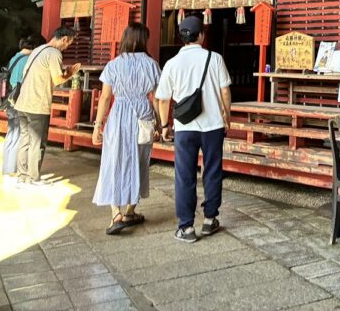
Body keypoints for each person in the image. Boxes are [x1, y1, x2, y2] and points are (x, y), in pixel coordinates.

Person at [155, 15, 232, 243]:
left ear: (182, 38)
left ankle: (186, 227)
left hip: (185, 127)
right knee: (212, 170)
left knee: (184, 175)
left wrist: (165, 125)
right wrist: (227, 116)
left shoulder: (172, 63)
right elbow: (225, 91)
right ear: (201, 35)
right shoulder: (214, 58)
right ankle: (210, 219)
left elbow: (162, 99)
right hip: (213, 125)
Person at [91, 23, 162, 235]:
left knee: (114, 160)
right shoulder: (151, 64)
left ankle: (116, 214)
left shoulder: (113, 65)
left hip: (118, 114)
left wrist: (97, 125)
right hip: (143, 114)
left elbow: (105, 97)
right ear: (143, 40)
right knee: (140, 161)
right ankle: (131, 210)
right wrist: (161, 123)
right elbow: (157, 99)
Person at [13, 26, 81, 186]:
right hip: (37, 104)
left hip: (22, 102)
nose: (67, 46)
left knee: (25, 140)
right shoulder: (54, 53)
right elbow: (57, 79)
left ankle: (22, 175)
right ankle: (34, 177)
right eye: (69, 43)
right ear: (64, 39)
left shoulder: (38, 50)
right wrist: (70, 73)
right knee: (37, 141)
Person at [2, 34, 45, 184]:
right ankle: (16, 170)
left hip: (9, 99)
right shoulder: (28, 60)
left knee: (12, 133)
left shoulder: (15, 57)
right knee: (22, 136)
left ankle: (8, 168)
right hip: (20, 100)